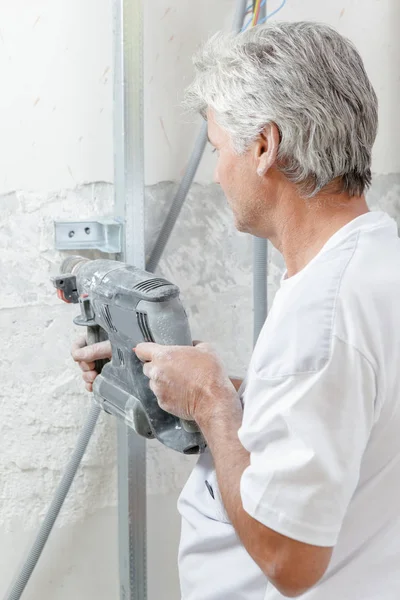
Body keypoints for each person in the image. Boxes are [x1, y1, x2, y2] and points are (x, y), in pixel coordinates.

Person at [71, 22, 400, 600]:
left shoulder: (322, 313)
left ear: (266, 146)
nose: (219, 171)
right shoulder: (377, 260)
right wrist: (226, 389)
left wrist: (212, 402)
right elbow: (347, 412)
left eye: (221, 150)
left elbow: (289, 559)